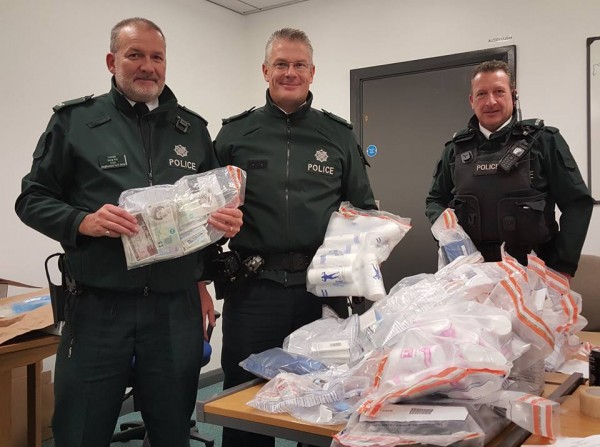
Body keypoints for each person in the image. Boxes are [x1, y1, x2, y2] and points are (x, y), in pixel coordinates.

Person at [15, 18, 242, 447]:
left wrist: (222, 227)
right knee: (81, 429)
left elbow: (208, 211)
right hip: (99, 307)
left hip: (173, 310)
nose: (147, 66)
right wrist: (83, 221)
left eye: (157, 57)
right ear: (111, 61)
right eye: (135, 54)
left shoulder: (191, 129)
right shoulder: (75, 122)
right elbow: (31, 200)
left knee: (173, 430)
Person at [213, 28, 376, 447]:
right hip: (254, 289)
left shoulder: (337, 134)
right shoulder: (235, 134)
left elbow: (364, 209)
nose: (290, 72)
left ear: (312, 72)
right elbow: (206, 216)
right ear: (265, 70)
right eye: (281, 64)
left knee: (324, 398)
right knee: (244, 399)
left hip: (321, 292)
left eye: (299, 65)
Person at [426, 60, 593, 277]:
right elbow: (435, 200)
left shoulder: (543, 141)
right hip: (471, 275)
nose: (490, 101)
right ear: (471, 100)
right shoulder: (455, 150)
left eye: (499, 91)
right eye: (482, 94)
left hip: (535, 274)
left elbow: (576, 203)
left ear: (513, 95)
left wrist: (563, 266)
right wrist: (448, 234)